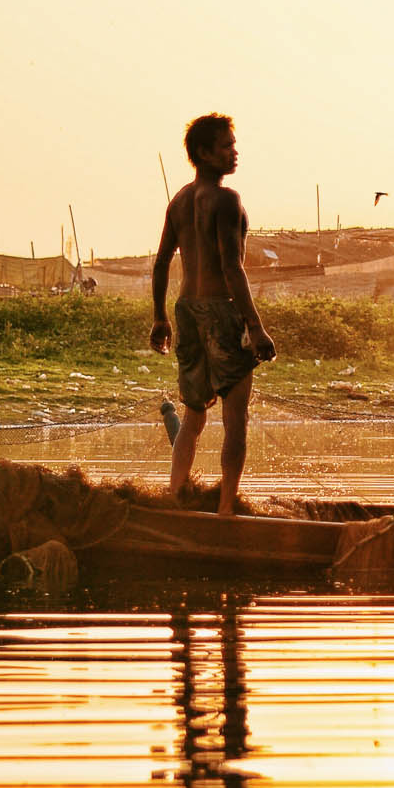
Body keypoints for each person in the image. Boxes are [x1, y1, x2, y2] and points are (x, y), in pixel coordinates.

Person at [149, 113, 277, 517]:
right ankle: (225, 511)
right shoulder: (225, 199)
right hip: (221, 310)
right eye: (226, 146)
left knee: (194, 414)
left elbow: (160, 263)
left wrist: (160, 317)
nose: (233, 152)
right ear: (203, 153)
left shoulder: (178, 202)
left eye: (233, 145)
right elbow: (231, 267)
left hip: (186, 309)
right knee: (235, 417)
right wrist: (255, 328)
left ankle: (175, 497)